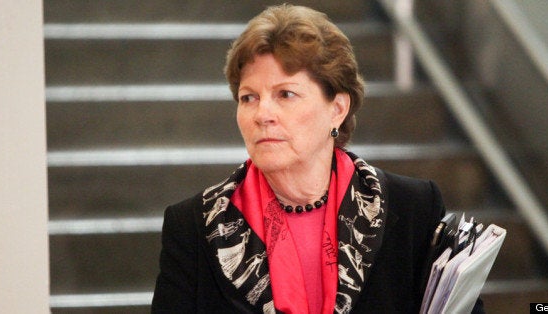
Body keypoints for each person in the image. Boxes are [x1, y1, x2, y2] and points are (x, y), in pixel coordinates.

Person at [152, 4, 482, 313]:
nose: (262, 114)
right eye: (248, 97)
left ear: (337, 109)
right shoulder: (196, 225)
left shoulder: (412, 208)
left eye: (286, 94)